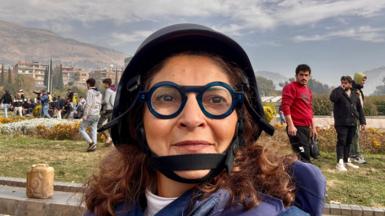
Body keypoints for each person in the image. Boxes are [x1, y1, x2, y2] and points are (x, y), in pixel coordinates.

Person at [84, 24, 325, 216]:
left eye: (216, 99)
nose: (192, 119)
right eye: (167, 97)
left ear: (239, 121)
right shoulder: (106, 208)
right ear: (138, 118)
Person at [281, 64, 317, 163]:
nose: (303, 78)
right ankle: (305, 175)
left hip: (306, 127)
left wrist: (313, 127)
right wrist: (291, 125)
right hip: (296, 128)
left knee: (304, 152)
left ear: (309, 76)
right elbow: (286, 106)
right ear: (296, 75)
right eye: (301, 75)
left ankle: (296, 173)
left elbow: (310, 110)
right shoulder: (290, 87)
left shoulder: (308, 91)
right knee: (303, 153)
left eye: (306, 75)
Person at [330, 76, 366, 172]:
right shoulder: (337, 92)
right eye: (342, 82)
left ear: (350, 84)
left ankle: (346, 160)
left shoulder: (355, 94)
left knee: (349, 142)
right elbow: (332, 98)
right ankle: (340, 162)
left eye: (345, 83)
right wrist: (340, 88)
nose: (343, 84)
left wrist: (363, 122)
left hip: (353, 122)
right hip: (341, 122)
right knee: (341, 141)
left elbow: (359, 109)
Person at [79, 78, 102, 152]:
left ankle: (91, 143)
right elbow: (100, 104)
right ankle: (94, 146)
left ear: (88, 84)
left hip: (90, 114)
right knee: (94, 130)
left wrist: (85, 115)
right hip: (97, 114)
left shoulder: (90, 92)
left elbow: (88, 104)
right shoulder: (99, 92)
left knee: (82, 129)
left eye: (86, 84)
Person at [350, 72, 367, 164]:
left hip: (357, 117)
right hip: (352, 118)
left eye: (364, 80)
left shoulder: (359, 91)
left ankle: (352, 154)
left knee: (355, 136)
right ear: (358, 79)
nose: (364, 82)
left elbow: (360, 107)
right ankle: (355, 155)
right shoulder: (352, 90)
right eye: (363, 80)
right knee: (355, 136)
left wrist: (362, 121)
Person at [97, 78, 116, 146]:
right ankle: (112, 142)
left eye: (104, 83)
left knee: (99, 125)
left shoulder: (107, 90)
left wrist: (99, 102)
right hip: (112, 110)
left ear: (107, 84)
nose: (103, 85)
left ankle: (108, 138)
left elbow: (106, 101)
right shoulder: (113, 90)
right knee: (110, 127)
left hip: (107, 111)